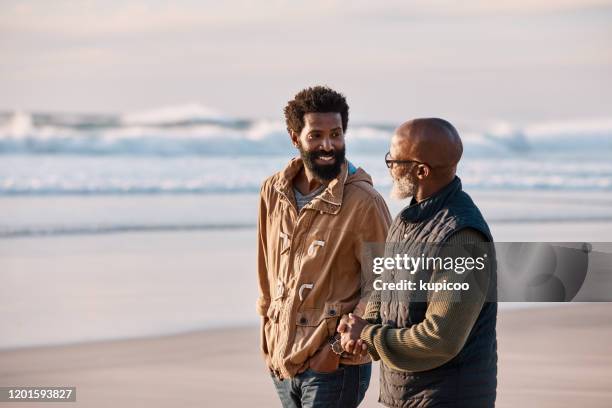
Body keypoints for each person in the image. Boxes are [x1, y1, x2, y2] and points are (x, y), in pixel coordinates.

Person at [339, 118, 498, 407]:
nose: (390, 168)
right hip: (405, 395)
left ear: (421, 171)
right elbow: (387, 288)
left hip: (449, 398)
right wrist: (363, 325)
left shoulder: (462, 238)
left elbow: (440, 339)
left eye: (394, 160)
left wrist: (368, 335)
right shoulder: (406, 220)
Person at [256, 86, 391, 407]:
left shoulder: (364, 202)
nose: (328, 145)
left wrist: (335, 350)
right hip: (283, 357)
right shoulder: (273, 191)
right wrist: (267, 337)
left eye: (336, 134)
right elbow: (267, 267)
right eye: (315, 135)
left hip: (333, 365)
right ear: (295, 137)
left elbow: (387, 280)